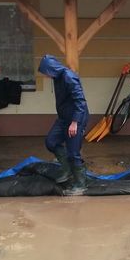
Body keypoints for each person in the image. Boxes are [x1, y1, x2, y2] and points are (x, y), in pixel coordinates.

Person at [38, 55, 90, 195]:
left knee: (73, 152)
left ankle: (80, 184)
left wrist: (75, 122)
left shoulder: (69, 77)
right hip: (63, 118)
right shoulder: (57, 77)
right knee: (51, 141)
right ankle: (66, 168)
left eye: (45, 72)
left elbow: (81, 101)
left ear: (51, 69)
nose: (45, 76)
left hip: (75, 118)